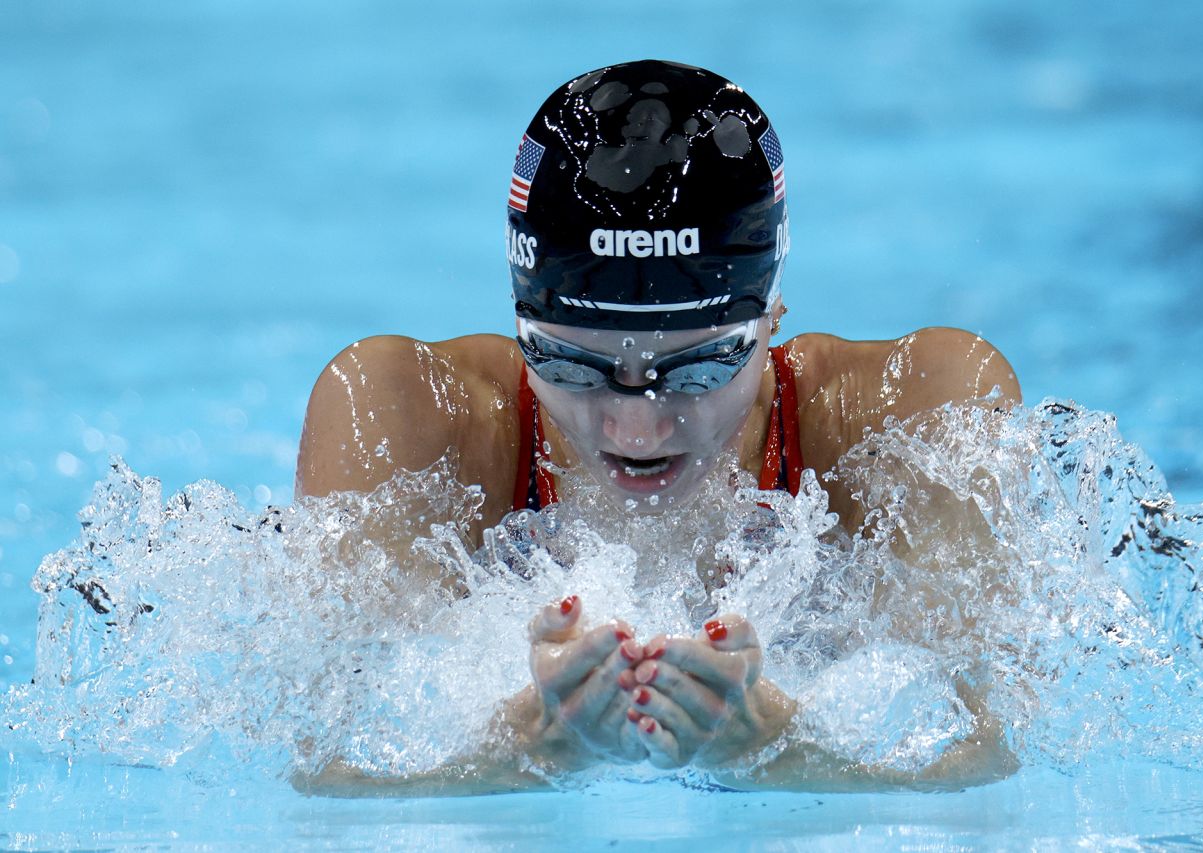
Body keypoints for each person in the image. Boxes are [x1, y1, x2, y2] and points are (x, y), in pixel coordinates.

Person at [295, 60, 1021, 793]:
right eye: (575, 365)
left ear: (772, 312)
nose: (637, 430)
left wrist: (781, 752)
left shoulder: (910, 423)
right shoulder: (407, 421)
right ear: (519, 323)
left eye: (699, 368)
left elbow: (1002, 766)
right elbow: (320, 781)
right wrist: (524, 748)